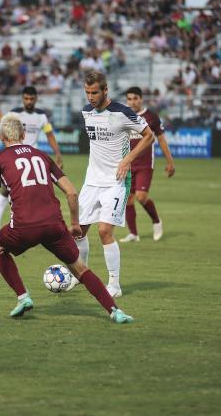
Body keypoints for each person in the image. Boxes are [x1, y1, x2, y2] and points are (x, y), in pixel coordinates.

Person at [0, 112, 133, 324]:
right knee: (81, 270)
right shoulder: (43, 156)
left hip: (23, 227)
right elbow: (71, 192)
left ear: (1, 137)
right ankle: (115, 311)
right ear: (24, 134)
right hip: (54, 226)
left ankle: (23, 297)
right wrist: (74, 225)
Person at [68, 72, 154, 297]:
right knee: (78, 232)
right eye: (87, 93)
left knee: (104, 231)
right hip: (92, 181)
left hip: (116, 182)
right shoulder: (87, 112)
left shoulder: (122, 112)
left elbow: (149, 136)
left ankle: (114, 285)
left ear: (105, 90)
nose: (90, 97)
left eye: (94, 92)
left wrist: (127, 160)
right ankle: (80, 275)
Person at [0, 86, 64, 233]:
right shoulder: (14, 114)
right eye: (26, 98)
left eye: (31, 99)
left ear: (36, 99)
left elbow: (49, 134)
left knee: (36, 190)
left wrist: (57, 154)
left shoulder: (42, 116)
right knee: (6, 190)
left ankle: (35, 227)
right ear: (22, 98)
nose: (29, 101)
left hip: (32, 157)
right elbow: (3, 131)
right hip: (14, 158)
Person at [120, 86, 175, 243]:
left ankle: (157, 221)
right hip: (128, 164)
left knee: (141, 196)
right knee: (128, 200)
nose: (132, 102)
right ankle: (134, 234)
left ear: (141, 99)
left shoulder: (151, 117)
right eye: (129, 99)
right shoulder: (123, 117)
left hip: (145, 164)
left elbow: (162, 140)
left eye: (135, 98)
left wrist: (170, 162)